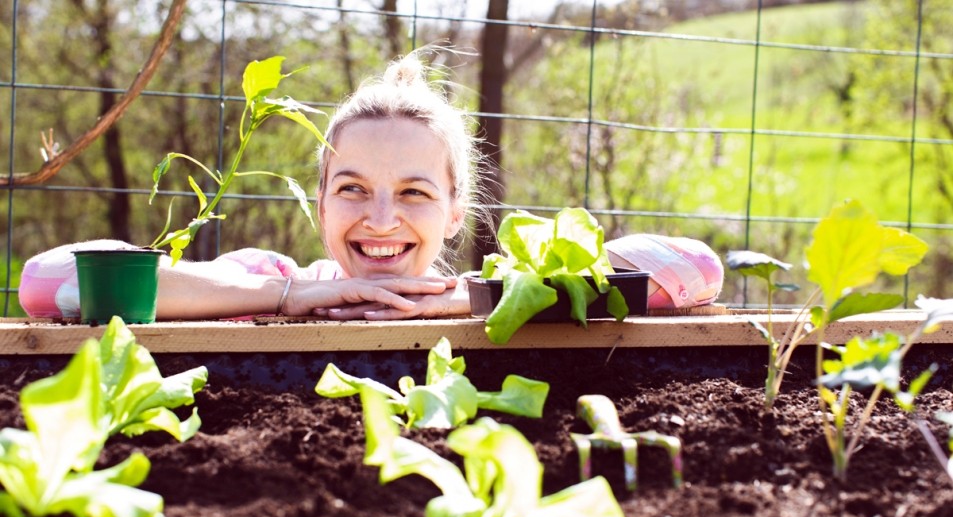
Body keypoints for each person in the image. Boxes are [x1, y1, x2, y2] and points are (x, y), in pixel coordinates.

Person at [18, 49, 723, 322]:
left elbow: (696, 269)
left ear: (455, 212)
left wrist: (462, 301)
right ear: (319, 200)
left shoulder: (485, 294)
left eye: (414, 193)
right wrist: (292, 296)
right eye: (352, 188)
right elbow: (54, 285)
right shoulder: (269, 277)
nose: (379, 220)